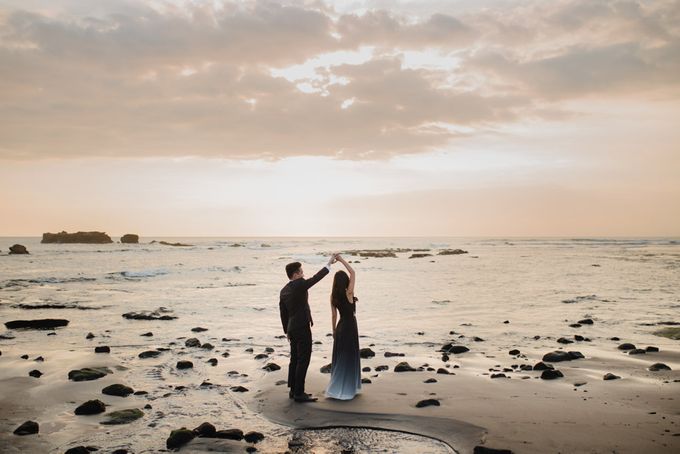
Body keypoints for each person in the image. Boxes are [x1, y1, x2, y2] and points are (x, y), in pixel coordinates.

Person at [279, 254, 337, 403]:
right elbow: (316, 278)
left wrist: (287, 331)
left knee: (294, 359)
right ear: (296, 274)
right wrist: (328, 264)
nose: (303, 274)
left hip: (292, 328)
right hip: (302, 327)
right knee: (303, 359)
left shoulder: (284, 290)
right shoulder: (299, 284)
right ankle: (299, 393)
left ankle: (293, 390)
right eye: (301, 272)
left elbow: (283, 313)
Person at [325, 254, 361, 400]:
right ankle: (347, 388)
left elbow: (334, 315)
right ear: (345, 281)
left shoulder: (333, 296)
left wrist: (333, 330)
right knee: (349, 356)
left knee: (340, 357)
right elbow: (353, 272)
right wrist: (340, 260)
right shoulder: (349, 293)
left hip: (340, 326)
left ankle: (337, 386)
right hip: (350, 326)